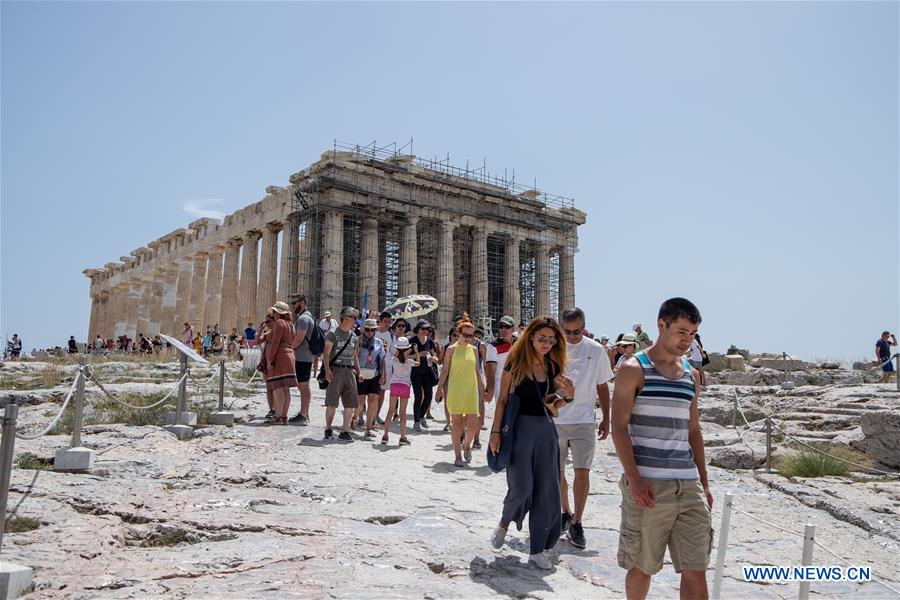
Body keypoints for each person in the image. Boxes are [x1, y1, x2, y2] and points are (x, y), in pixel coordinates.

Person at [612, 298, 712, 600]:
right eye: (682, 331)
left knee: (696, 567)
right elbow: (618, 427)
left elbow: (693, 430)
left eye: (693, 333)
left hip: (688, 484)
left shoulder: (691, 375)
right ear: (661, 325)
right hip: (649, 484)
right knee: (643, 566)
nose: (687, 340)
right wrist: (635, 478)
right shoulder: (633, 368)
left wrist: (704, 484)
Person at [488, 317, 575, 570]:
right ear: (531, 338)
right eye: (542, 338)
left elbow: (552, 405)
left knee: (548, 492)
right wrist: (495, 432)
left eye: (551, 339)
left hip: (546, 431)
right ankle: (505, 521)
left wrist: (568, 396)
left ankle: (538, 549)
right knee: (522, 486)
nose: (547, 343)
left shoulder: (553, 366)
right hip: (520, 431)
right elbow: (502, 400)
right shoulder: (515, 364)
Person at [557, 308, 614, 549]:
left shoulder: (596, 349)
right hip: (556, 419)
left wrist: (606, 418)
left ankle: (577, 522)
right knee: (557, 472)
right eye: (567, 332)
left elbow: (602, 385)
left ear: (585, 326)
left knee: (582, 472)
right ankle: (565, 512)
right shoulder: (554, 347)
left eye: (577, 331)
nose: (572, 336)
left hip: (583, 420)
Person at [435, 320, 485, 467]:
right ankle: (457, 456)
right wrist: (439, 389)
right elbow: (444, 371)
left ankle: (467, 445)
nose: (468, 338)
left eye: (471, 335)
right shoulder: (451, 349)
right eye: (465, 335)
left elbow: (476, 370)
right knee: (456, 424)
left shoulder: (474, 350)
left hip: (471, 390)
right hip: (456, 389)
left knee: (473, 423)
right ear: (458, 334)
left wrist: (482, 387)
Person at [323, 307, 361, 442]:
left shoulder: (354, 336)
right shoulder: (332, 334)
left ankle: (345, 431)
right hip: (336, 370)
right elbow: (326, 354)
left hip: (350, 371)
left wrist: (359, 371)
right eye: (354, 318)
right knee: (332, 402)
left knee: (350, 403)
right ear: (345, 318)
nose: (356, 321)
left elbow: (355, 356)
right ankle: (328, 428)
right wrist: (327, 370)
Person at [262, 302, 297, 424]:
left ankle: (277, 416)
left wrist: (270, 359)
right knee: (285, 388)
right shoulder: (290, 324)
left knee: (277, 388)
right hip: (290, 355)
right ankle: (284, 417)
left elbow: (275, 342)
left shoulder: (280, 323)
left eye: (275, 312)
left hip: (280, 356)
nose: (274, 314)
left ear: (280, 313)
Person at [355, 319, 387, 439]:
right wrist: (358, 372)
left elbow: (382, 359)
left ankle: (368, 429)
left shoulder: (379, 342)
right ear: (364, 330)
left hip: (375, 374)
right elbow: (355, 357)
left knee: (372, 402)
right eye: (367, 329)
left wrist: (383, 374)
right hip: (361, 374)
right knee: (361, 402)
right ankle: (355, 417)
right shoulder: (358, 341)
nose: (369, 332)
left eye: (372, 330)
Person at [382, 336, 417, 446]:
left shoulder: (394, 360)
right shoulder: (410, 361)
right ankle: (402, 437)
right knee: (402, 413)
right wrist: (415, 351)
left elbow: (393, 355)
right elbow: (419, 363)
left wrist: (398, 350)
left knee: (390, 410)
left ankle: (385, 435)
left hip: (394, 384)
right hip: (405, 385)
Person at [288, 294, 316, 425]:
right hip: (305, 356)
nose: (293, 306)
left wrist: (289, 349)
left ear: (303, 303)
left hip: (302, 357)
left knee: (303, 386)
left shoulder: (304, 319)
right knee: (304, 385)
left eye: (295, 303)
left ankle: (304, 414)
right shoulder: (307, 317)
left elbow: (299, 338)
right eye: (292, 303)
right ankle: (305, 412)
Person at [410, 320, 438, 432]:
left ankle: (421, 417)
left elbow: (434, 355)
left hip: (427, 372)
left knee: (429, 396)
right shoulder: (412, 341)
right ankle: (416, 421)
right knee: (418, 396)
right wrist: (418, 354)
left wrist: (434, 358)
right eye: (423, 329)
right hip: (415, 372)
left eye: (427, 329)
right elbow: (405, 356)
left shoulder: (430, 341)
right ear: (418, 329)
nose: (426, 331)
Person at [373, 312, 395, 424]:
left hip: (386, 367)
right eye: (385, 321)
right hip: (373, 366)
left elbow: (393, 352)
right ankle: (368, 414)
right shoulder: (373, 333)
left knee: (381, 392)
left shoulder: (391, 336)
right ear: (380, 321)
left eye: (389, 322)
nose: (387, 324)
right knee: (371, 392)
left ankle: (376, 415)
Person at [490, 315, 517, 401]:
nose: (503, 329)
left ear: (513, 329)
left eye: (507, 327)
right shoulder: (493, 345)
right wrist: (490, 387)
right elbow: (490, 368)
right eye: (501, 326)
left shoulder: (520, 343)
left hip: (518, 384)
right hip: (500, 384)